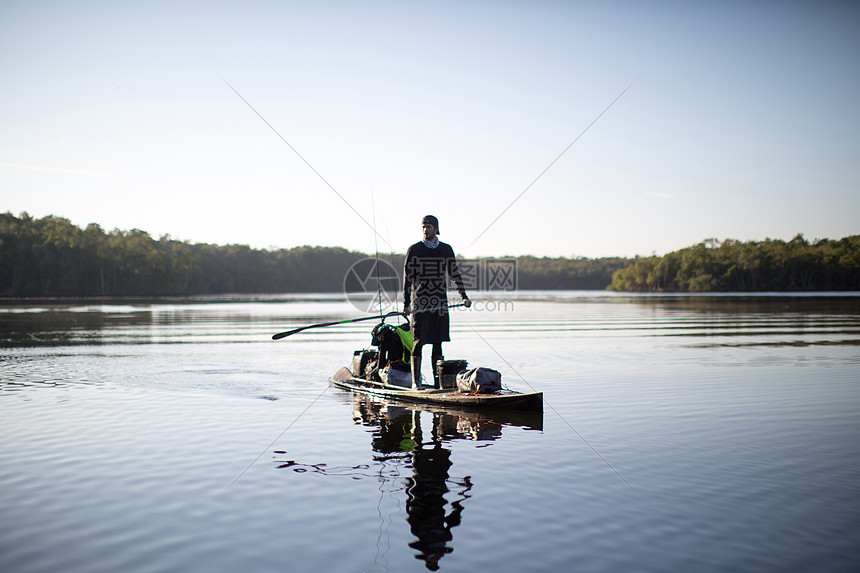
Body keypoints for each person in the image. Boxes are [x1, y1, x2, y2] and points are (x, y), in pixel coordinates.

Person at [403, 215, 471, 389]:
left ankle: (438, 383)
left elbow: (454, 274)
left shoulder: (446, 250)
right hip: (420, 303)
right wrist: (406, 304)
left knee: (437, 342)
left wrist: (463, 296)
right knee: (418, 341)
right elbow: (407, 278)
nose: (426, 230)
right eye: (423, 227)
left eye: (429, 227)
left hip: (440, 303)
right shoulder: (415, 250)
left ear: (437, 229)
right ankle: (415, 383)